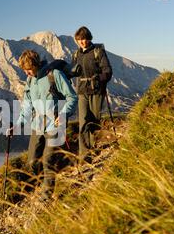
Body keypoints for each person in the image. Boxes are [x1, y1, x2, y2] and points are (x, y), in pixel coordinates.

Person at [7, 50, 78, 202]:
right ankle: (55, 171)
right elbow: (27, 108)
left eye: (29, 69)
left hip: (55, 125)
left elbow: (72, 96)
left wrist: (64, 114)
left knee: (48, 160)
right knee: (32, 162)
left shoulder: (54, 75)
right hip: (37, 126)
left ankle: (46, 196)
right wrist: (17, 126)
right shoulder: (30, 81)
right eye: (24, 70)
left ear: (36, 64)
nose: (27, 73)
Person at [72, 26, 113, 162]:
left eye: (84, 39)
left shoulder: (98, 51)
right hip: (82, 90)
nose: (82, 42)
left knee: (94, 120)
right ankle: (84, 155)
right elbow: (71, 71)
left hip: (96, 90)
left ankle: (93, 147)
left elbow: (107, 71)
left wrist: (99, 78)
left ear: (89, 38)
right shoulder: (76, 54)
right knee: (83, 121)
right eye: (79, 39)